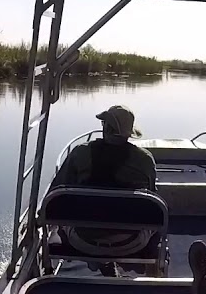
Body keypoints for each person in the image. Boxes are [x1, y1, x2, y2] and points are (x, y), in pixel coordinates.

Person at [48, 105, 158, 260]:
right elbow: (153, 197)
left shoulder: (81, 152)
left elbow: (55, 193)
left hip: (82, 241)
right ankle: (153, 273)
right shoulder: (145, 159)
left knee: (58, 219)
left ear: (106, 128)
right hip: (132, 242)